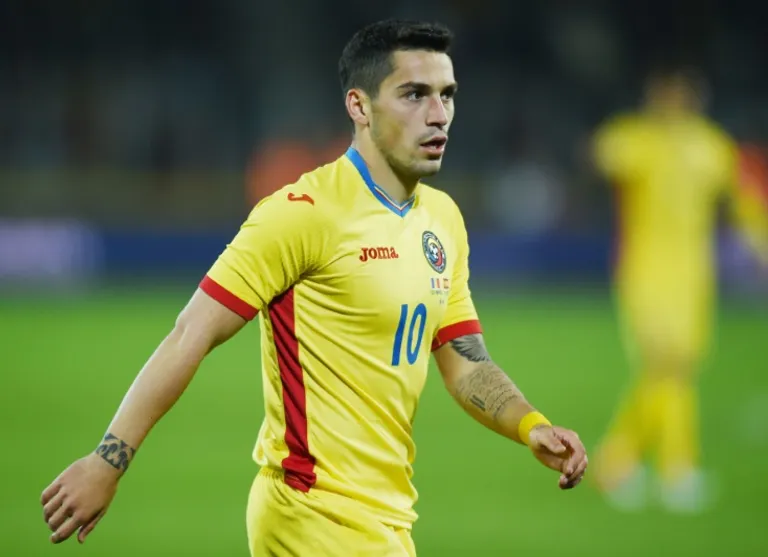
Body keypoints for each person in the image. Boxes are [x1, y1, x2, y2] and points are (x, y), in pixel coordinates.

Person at [40, 19, 588, 555]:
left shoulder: (442, 220)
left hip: (384, 517)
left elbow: (465, 362)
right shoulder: (304, 213)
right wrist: (107, 461)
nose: (438, 114)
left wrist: (530, 425)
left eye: (447, 95)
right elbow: (191, 333)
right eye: (414, 94)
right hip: (311, 511)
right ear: (359, 106)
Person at [591, 65, 768, 513]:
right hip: (644, 269)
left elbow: (742, 200)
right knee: (665, 363)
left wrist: (760, 245)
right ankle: (676, 471)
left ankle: (617, 464)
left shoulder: (710, 146)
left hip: (693, 275)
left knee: (676, 370)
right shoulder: (636, 139)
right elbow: (604, 156)